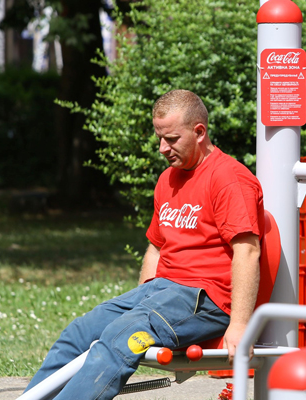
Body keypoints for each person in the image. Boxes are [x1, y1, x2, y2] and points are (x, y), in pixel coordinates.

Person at [23, 89, 263, 399]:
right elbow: (156, 247)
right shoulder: (168, 179)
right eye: (159, 137)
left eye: (172, 139)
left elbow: (248, 250)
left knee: (120, 337)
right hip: (162, 291)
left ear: (199, 131)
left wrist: (240, 325)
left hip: (206, 300)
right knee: (79, 333)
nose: (163, 148)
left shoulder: (229, 178)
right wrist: (140, 298)